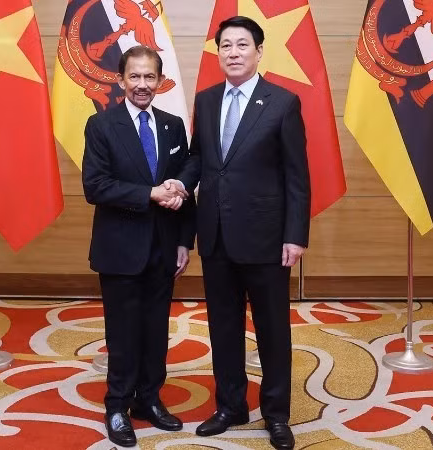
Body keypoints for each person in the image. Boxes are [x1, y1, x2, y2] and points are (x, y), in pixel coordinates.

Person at [175, 15, 311, 450]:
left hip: (267, 238)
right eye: (226, 46)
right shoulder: (208, 99)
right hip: (215, 234)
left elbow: (297, 177)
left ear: (258, 51)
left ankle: (276, 414)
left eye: (241, 46)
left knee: (273, 330)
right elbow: (200, 160)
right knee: (223, 327)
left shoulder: (283, 102)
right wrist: (180, 182)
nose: (233, 53)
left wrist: (295, 234)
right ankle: (231, 405)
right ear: (218, 53)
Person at [82, 45, 195, 448]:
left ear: (160, 81)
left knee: (155, 330)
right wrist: (150, 193)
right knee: (123, 332)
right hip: (120, 250)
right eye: (135, 77)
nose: (143, 85)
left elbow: (184, 180)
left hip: (164, 248)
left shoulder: (172, 125)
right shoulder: (102, 125)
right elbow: (95, 187)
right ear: (121, 79)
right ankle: (117, 405)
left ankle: (149, 399)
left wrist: (185, 241)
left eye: (150, 77)